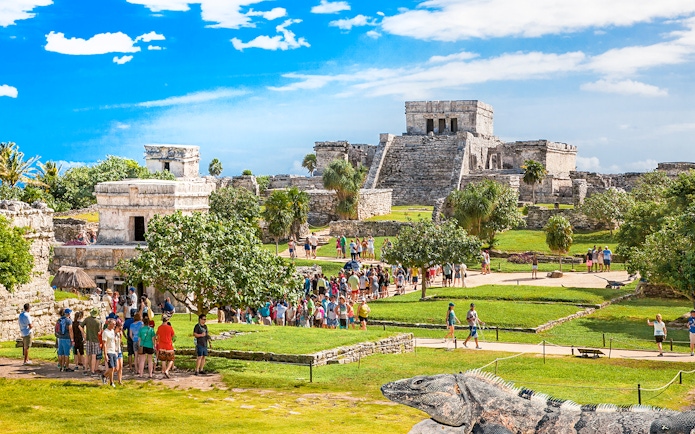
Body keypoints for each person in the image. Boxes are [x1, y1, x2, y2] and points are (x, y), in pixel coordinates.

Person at [83, 309, 101, 375]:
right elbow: (99, 332)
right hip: (95, 340)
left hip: (88, 339)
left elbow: (80, 326)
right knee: (94, 356)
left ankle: (85, 370)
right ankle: (92, 371)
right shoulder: (98, 322)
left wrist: (84, 333)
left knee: (87, 355)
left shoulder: (87, 319)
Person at [101, 319, 117, 387]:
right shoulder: (105, 332)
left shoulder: (113, 331)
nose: (114, 326)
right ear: (109, 324)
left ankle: (104, 375)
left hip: (113, 351)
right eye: (113, 324)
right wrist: (105, 354)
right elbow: (104, 344)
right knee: (111, 368)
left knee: (115, 368)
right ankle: (111, 382)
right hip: (109, 351)